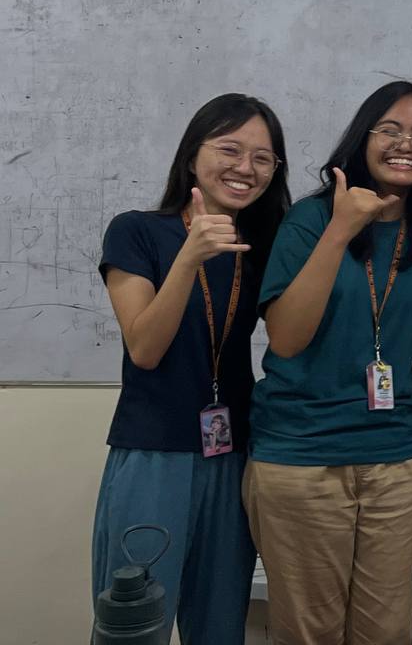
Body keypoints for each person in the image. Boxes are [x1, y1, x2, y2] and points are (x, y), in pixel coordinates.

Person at [242, 81, 412, 644]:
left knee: (388, 631)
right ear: (362, 139)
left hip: (396, 465)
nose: (405, 144)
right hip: (302, 460)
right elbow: (285, 339)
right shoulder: (310, 221)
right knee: (308, 632)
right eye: (390, 130)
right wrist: (341, 230)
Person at [92, 93, 291, 643]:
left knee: (220, 625)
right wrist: (189, 255)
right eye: (230, 149)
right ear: (192, 155)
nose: (245, 167)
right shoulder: (136, 230)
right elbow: (144, 349)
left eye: (263, 158)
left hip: (234, 454)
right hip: (153, 450)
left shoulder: (265, 243)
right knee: (135, 625)